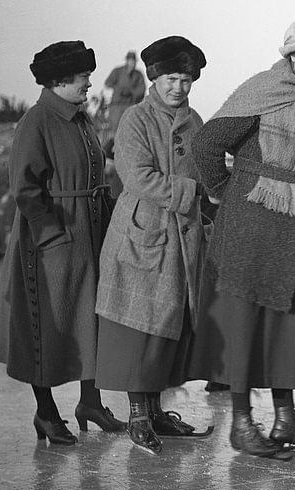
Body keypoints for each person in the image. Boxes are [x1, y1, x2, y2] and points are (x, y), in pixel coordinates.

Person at [189, 20, 295, 458]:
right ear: (293, 58)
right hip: (250, 227)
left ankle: (285, 420)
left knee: (290, 322)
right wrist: (230, 195)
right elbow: (205, 145)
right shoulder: (261, 91)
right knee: (245, 321)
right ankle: (242, 424)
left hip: (294, 224)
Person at [0, 40, 125, 444]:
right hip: (50, 246)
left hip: (88, 236)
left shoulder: (79, 119)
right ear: (61, 80)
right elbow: (24, 190)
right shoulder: (37, 121)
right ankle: (46, 413)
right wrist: (52, 237)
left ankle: (91, 403)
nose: (89, 84)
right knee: (43, 327)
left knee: (90, 321)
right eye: (83, 78)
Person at [94, 36, 208, 455]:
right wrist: (193, 191)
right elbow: (137, 176)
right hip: (144, 233)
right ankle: (139, 415)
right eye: (171, 79)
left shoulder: (194, 120)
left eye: (186, 80)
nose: (179, 87)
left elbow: (205, 167)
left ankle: (158, 411)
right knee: (138, 327)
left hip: (182, 238)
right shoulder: (135, 119)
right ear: (154, 79)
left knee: (167, 329)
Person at [104, 51, 146, 135]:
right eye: (130, 61)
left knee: (130, 130)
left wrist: (131, 92)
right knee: (114, 132)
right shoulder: (117, 71)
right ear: (126, 61)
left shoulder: (138, 74)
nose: (132, 63)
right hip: (116, 106)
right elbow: (108, 84)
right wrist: (120, 90)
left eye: (133, 61)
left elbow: (142, 89)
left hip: (131, 106)